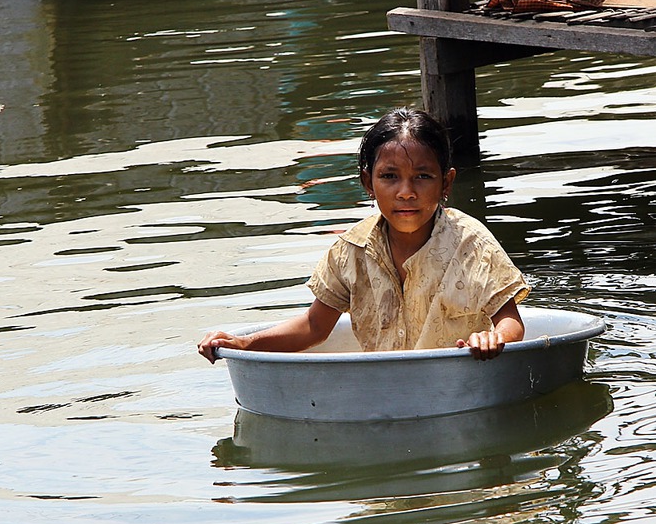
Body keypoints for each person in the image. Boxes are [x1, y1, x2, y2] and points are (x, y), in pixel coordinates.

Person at [198, 108, 529, 363]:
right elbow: (314, 327)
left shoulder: (470, 242)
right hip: (382, 390)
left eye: (423, 176)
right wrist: (243, 343)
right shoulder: (350, 250)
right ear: (368, 184)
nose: (406, 192)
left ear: (446, 183)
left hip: (460, 382)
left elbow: (510, 322)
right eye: (389, 177)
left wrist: (493, 338)